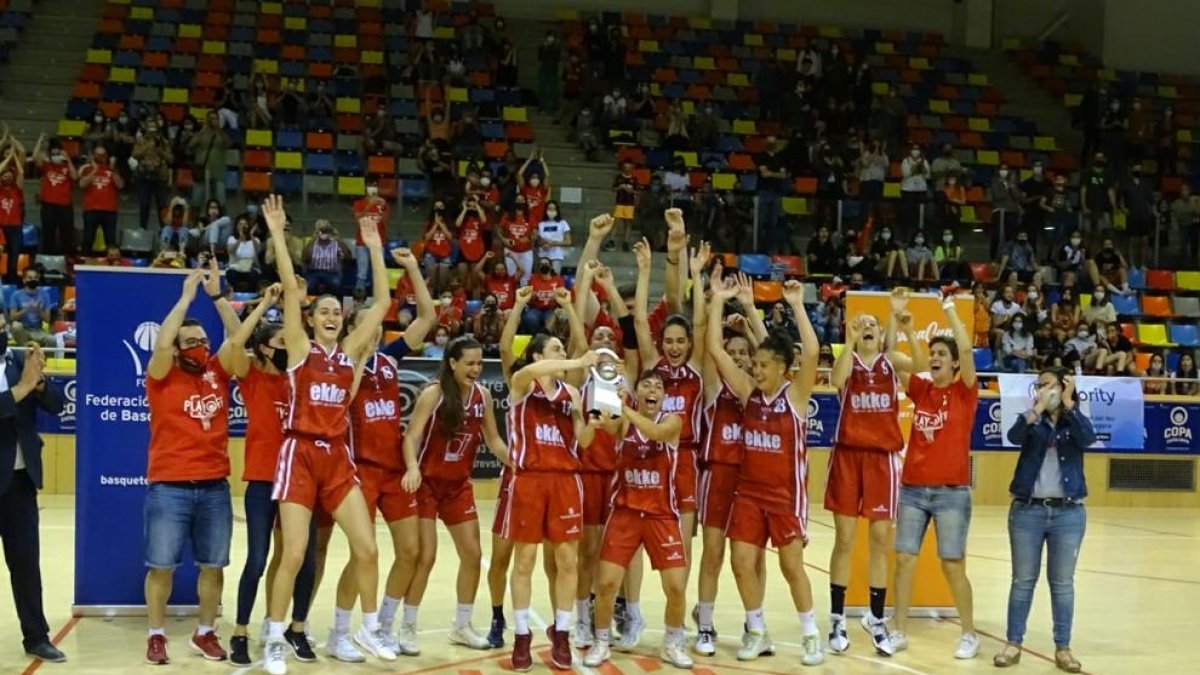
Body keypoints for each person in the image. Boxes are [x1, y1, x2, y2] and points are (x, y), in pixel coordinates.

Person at [260, 195, 396, 675]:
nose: (333, 315)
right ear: (313, 318)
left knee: (368, 548)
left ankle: (369, 627)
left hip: (337, 457)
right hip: (299, 452)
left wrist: (374, 246)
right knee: (294, 553)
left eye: (338, 310)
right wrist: (278, 234)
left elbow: (381, 302)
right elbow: (291, 294)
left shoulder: (351, 352)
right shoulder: (299, 347)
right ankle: (274, 636)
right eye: (324, 311)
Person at [142, 263, 259, 664]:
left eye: (203, 340)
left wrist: (217, 296)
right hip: (169, 486)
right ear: (177, 345)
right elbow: (160, 344)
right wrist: (187, 297)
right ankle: (156, 635)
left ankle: (205, 632)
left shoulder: (217, 371)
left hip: (213, 486)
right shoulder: (161, 373)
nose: (199, 346)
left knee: (213, 566)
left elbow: (238, 337)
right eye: (190, 341)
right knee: (161, 568)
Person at [707, 278, 825, 665]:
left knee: (792, 567)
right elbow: (713, 350)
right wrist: (719, 302)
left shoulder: (795, 395)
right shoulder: (748, 393)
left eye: (761, 365)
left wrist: (797, 305)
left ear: (780, 367)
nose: (755, 370)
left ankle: (810, 634)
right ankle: (756, 630)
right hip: (749, 494)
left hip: (785, 496)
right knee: (742, 563)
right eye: (754, 365)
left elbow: (811, 350)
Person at [227, 291, 320, 666]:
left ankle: (294, 628)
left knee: (305, 560)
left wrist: (298, 302)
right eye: (279, 342)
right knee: (257, 559)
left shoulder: (298, 379)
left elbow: (311, 343)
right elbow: (235, 343)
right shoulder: (251, 377)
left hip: (300, 479)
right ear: (264, 348)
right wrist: (264, 307)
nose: (286, 348)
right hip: (263, 480)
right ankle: (239, 632)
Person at [399, 337, 507, 651]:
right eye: (470, 363)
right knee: (426, 556)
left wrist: (522, 462)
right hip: (427, 485)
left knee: (472, 555)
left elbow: (494, 440)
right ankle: (407, 626)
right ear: (453, 363)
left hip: (458, 486)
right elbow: (411, 437)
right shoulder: (433, 394)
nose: (476, 369)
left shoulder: (483, 396)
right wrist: (411, 467)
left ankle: (462, 625)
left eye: (479, 363)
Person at [888, 295, 980, 659]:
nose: (937, 357)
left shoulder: (965, 393)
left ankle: (969, 633)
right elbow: (896, 361)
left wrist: (948, 308)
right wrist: (905, 327)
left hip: (951, 494)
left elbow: (969, 348)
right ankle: (898, 630)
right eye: (934, 353)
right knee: (905, 559)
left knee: (952, 563)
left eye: (944, 354)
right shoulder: (922, 388)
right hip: (913, 490)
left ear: (956, 364)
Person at [584, 370, 692, 668]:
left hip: (661, 515)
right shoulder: (624, 425)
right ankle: (602, 642)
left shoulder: (673, 421)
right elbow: (605, 424)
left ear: (664, 397)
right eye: (646, 385)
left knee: (676, 587)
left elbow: (656, 434)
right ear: (639, 391)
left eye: (658, 386)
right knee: (606, 584)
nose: (653, 389)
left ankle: (672, 643)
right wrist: (604, 394)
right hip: (625, 513)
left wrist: (627, 406)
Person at [503, 336, 599, 671]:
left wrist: (595, 421)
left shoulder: (571, 395)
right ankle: (521, 635)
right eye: (557, 349)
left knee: (567, 562)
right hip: (530, 479)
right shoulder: (522, 383)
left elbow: (583, 440)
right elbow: (532, 370)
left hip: (566, 480)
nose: (563, 354)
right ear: (538, 354)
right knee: (525, 561)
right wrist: (577, 363)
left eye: (563, 349)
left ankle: (561, 632)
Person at [826, 301, 914, 655]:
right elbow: (835, 379)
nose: (866, 328)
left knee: (879, 539)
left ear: (880, 336)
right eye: (860, 324)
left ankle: (876, 618)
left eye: (872, 326)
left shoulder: (891, 363)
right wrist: (847, 342)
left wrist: (897, 320)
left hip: (881, 460)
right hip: (848, 457)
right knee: (844, 539)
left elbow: (921, 366)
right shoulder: (849, 361)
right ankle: (835, 618)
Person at [994, 369, 1093, 673]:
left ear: (1063, 387)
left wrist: (1068, 404)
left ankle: (1063, 648)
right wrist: (1035, 410)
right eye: (1038, 384)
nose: (1041, 388)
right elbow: (1013, 436)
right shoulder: (1031, 420)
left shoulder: (1074, 419)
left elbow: (1087, 438)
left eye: (1047, 383)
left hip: (1068, 512)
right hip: (1028, 511)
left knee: (1062, 583)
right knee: (1023, 581)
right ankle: (1013, 643)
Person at [693, 268, 768, 656]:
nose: (737, 358)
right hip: (717, 476)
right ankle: (704, 624)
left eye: (744, 354)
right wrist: (718, 301)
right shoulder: (713, 385)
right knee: (714, 553)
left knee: (754, 558)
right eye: (732, 353)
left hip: (753, 480)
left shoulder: (757, 391)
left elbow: (773, 351)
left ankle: (755, 623)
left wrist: (751, 317)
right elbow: (710, 349)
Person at [633, 221, 706, 609]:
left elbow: (697, 318)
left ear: (689, 343)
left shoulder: (697, 372)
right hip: (649, 459)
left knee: (681, 544)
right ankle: (633, 612)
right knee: (637, 539)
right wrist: (646, 271)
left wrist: (692, 273)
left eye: (681, 341)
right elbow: (641, 321)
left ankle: (678, 611)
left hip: (688, 461)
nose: (674, 346)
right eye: (669, 341)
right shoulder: (652, 366)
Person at [0, 337, 65, 664]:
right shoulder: (18, 376)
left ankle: (37, 637)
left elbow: (55, 405)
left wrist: (39, 384)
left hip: (20, 484)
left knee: (26, 566)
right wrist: (23, 388)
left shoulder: (16, 361)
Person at [32, 137, 77, 256]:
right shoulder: (47, 166)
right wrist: (40, 142)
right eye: (54, 154)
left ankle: (67, 259)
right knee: (48, 233)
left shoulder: (67, 167)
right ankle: (47, 259)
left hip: (65, 205)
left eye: (58, 154)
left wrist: (68, 159)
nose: (56, 156)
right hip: (48, 205)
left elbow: (75, 177)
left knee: (66, 234)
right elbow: (35, 157)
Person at [78, 145, 124, 254]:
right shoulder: (87, 169)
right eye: (98, 155)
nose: (100, 157)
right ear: (94, 156)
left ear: (106, 156)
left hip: (109, 210)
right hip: (91, 209)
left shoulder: (112, 170)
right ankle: (85, 262)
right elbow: (82, 185)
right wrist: (94, 169)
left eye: (103, 155)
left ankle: (111, 263)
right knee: (88, 239)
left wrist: (112, 169)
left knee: (110, 240)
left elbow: (120, 185)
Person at [536, 200, 572, 273]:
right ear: (546, 210)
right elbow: (537, 242)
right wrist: (543, 244)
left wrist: (553, 243)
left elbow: (568, 242)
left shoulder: (563, 223)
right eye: (549, 209)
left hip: (557, 256)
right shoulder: (541, 224)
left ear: (557, 210)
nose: (551, 211)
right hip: (543, 256)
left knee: (554, 278)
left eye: (554, 209)